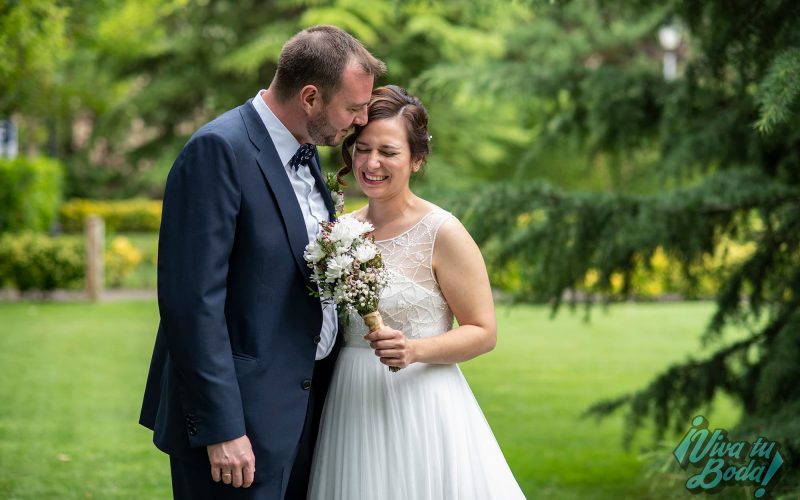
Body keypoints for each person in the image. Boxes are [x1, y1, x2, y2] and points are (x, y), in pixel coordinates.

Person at [138, 25, 385, 500]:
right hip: (238, 428)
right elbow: (192, 304)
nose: (359, 121)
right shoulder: (218, 150)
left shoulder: (308, 151)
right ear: (310, 97)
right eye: (353, 108)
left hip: (303, 412)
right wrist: (221, 429)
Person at [307, 85, 526, 499]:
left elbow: (483, 330)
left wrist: (414, 350)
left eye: (388, 152)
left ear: (417, 159)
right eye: (363, 149)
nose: (371, 163)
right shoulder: (338, 232)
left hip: (422, 402)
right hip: (350, 402)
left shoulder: (443, 232)